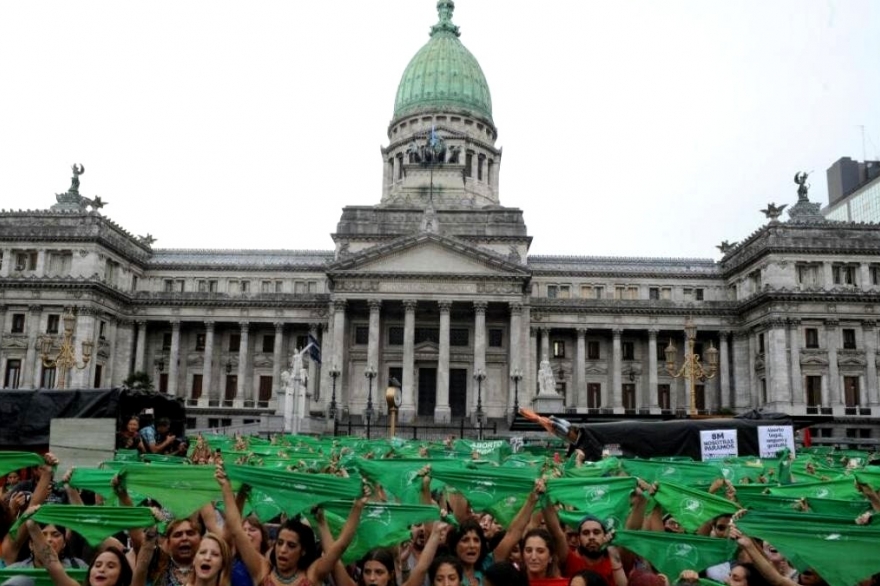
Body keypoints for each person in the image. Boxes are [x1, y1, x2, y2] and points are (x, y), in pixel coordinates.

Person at [216, 464, 367, 586]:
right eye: (280, 543)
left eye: (291, 545)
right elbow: (236, 528)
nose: (282, 550)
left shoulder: (312, 575)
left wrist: (358, 506)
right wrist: (226, 487)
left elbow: (340, 546)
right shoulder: (261, 571)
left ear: (303, 551)